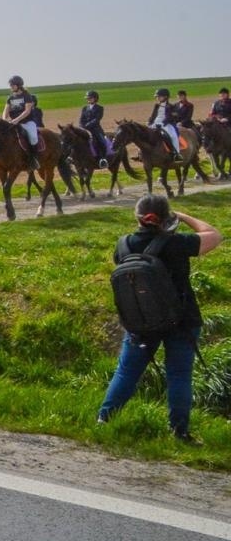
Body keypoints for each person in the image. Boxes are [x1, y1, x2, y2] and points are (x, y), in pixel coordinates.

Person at [98, 195, 223, 441]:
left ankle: (104, 420)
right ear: (167, 219)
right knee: (178, 374)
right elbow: (215, 235)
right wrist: (184, 216)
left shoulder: (123, 245)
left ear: (138, 218)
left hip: (140, 321)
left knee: (127, 372)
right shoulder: (177, 243)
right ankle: (179, 431)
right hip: (182, 320)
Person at [2, 76, 42, 168]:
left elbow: (27, 111)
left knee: (33, 137)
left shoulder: (26, 95)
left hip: (27, 122)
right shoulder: (10, 97)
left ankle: (34, 158)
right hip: (13, 122)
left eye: (12, 85)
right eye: (10, 85)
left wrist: (17, 120)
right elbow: (5, 110)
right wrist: (4, 119)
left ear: (19, 85)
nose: (11, 87)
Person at [147, 88, 183, 162]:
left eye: (159, 96)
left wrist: (163, 123)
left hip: (166, 124)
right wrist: (149, 122)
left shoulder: (171, 106)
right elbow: (153, 115)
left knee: (173, 136)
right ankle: (141, 154)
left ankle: (176, 154)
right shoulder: (156, 105)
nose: (157, 98)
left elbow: (171, 117)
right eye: (157, 97)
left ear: (166, 97)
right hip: (155, 123)